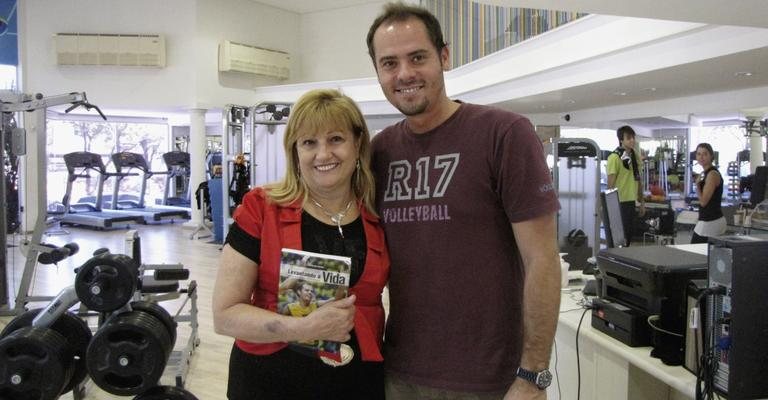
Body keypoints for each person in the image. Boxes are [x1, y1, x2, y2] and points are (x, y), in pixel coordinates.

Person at [366, 3, 561, 399]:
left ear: (444, 56)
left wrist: (533, 374)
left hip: (491, 381)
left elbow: (542, 259)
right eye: (389, 63)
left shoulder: (504, 134)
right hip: (399, 373)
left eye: (417, 57)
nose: (404, 74)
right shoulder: (380, 151)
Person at [212, 88, 389, 400]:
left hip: (356, 381)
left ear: (357, 143)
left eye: (335, 139)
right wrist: (303, 328)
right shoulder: (261, 209)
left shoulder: (376, 214)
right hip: (271, 381)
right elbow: (225, 316)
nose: (323, 154)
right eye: (309, 142)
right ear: (295, 150)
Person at [606, 125, 646, 245]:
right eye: (628, 138)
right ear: (621, 140)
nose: (632, 140)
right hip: (619, 202)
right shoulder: (614, 157)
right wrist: (609, 207)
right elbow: (610, 184)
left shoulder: (635, 157)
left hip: (631, 201)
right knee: (618, 238)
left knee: (628, 237)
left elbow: (638, 180)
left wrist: (642, 202)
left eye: (633, 137)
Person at [691, 143, 725, 243]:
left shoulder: (712, 174)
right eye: (698, 154)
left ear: (711, 156)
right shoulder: (705, 173)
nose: (701, 157)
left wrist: (697, 185)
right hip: (707, 219)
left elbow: (703, 202)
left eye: (705, 154)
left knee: (694, 253)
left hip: (711, 220)